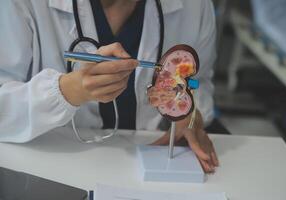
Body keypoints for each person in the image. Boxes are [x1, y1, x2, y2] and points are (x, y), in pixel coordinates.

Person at [0, 0, 218, 172]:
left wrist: (191, 115)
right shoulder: (21, 4)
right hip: (51, 167)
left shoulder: (195, 5)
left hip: (154, 161)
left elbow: (201, 81)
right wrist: (66, 91)